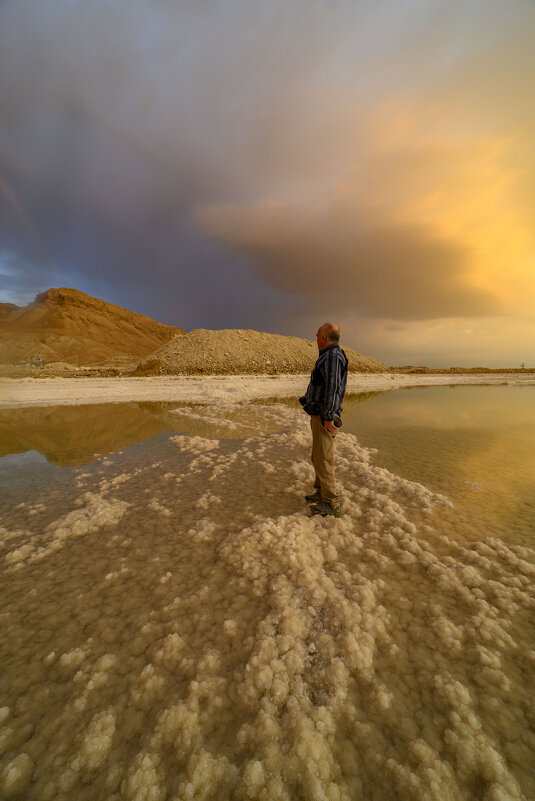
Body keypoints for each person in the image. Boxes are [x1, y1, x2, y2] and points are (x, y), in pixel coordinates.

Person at [299, 322, 348, 517]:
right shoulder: (328, 356)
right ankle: (321, 493)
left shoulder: (332, 356)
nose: (315, 337)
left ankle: (332, 504)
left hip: (324, 416)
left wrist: (329, 416)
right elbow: (322, 385)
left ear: (323, 338)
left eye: (317, 334)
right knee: (317, 457)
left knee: (324, 460)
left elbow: (333, 387)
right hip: (319, 414)